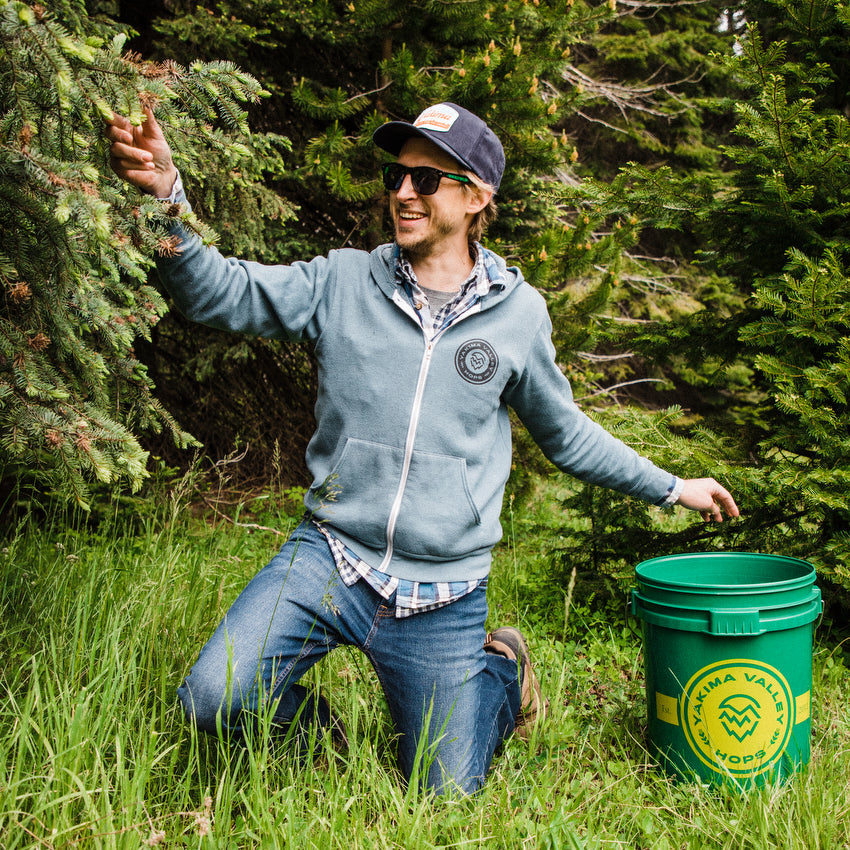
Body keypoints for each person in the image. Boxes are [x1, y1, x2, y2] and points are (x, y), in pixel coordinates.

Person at [106, 101, 739, 795]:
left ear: (476, 197)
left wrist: (672, 487)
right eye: (396, 175)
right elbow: (217, 294)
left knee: (444, 792)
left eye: (427, 180)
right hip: (331, 556)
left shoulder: (519, 316)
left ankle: (500, 671)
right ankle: (319, 743)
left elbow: (566, 436)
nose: (403, 193)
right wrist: (168, 201)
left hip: (444, 591)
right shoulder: (343, 281)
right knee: (211, 697)